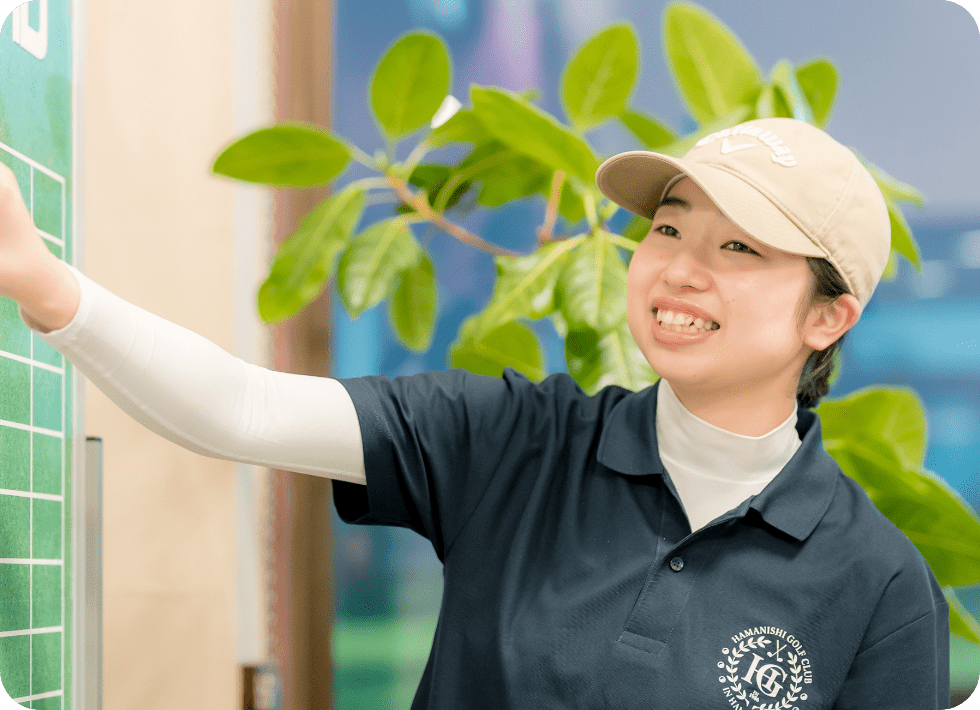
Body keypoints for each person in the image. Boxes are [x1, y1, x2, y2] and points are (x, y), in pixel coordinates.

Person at [0, 117, 951, 709]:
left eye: (740, 248)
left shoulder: (879, 588)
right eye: (668, 227)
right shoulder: (515, 441)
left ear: (827, 317)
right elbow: (241, 409)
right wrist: (41, 284)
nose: (679, 268)